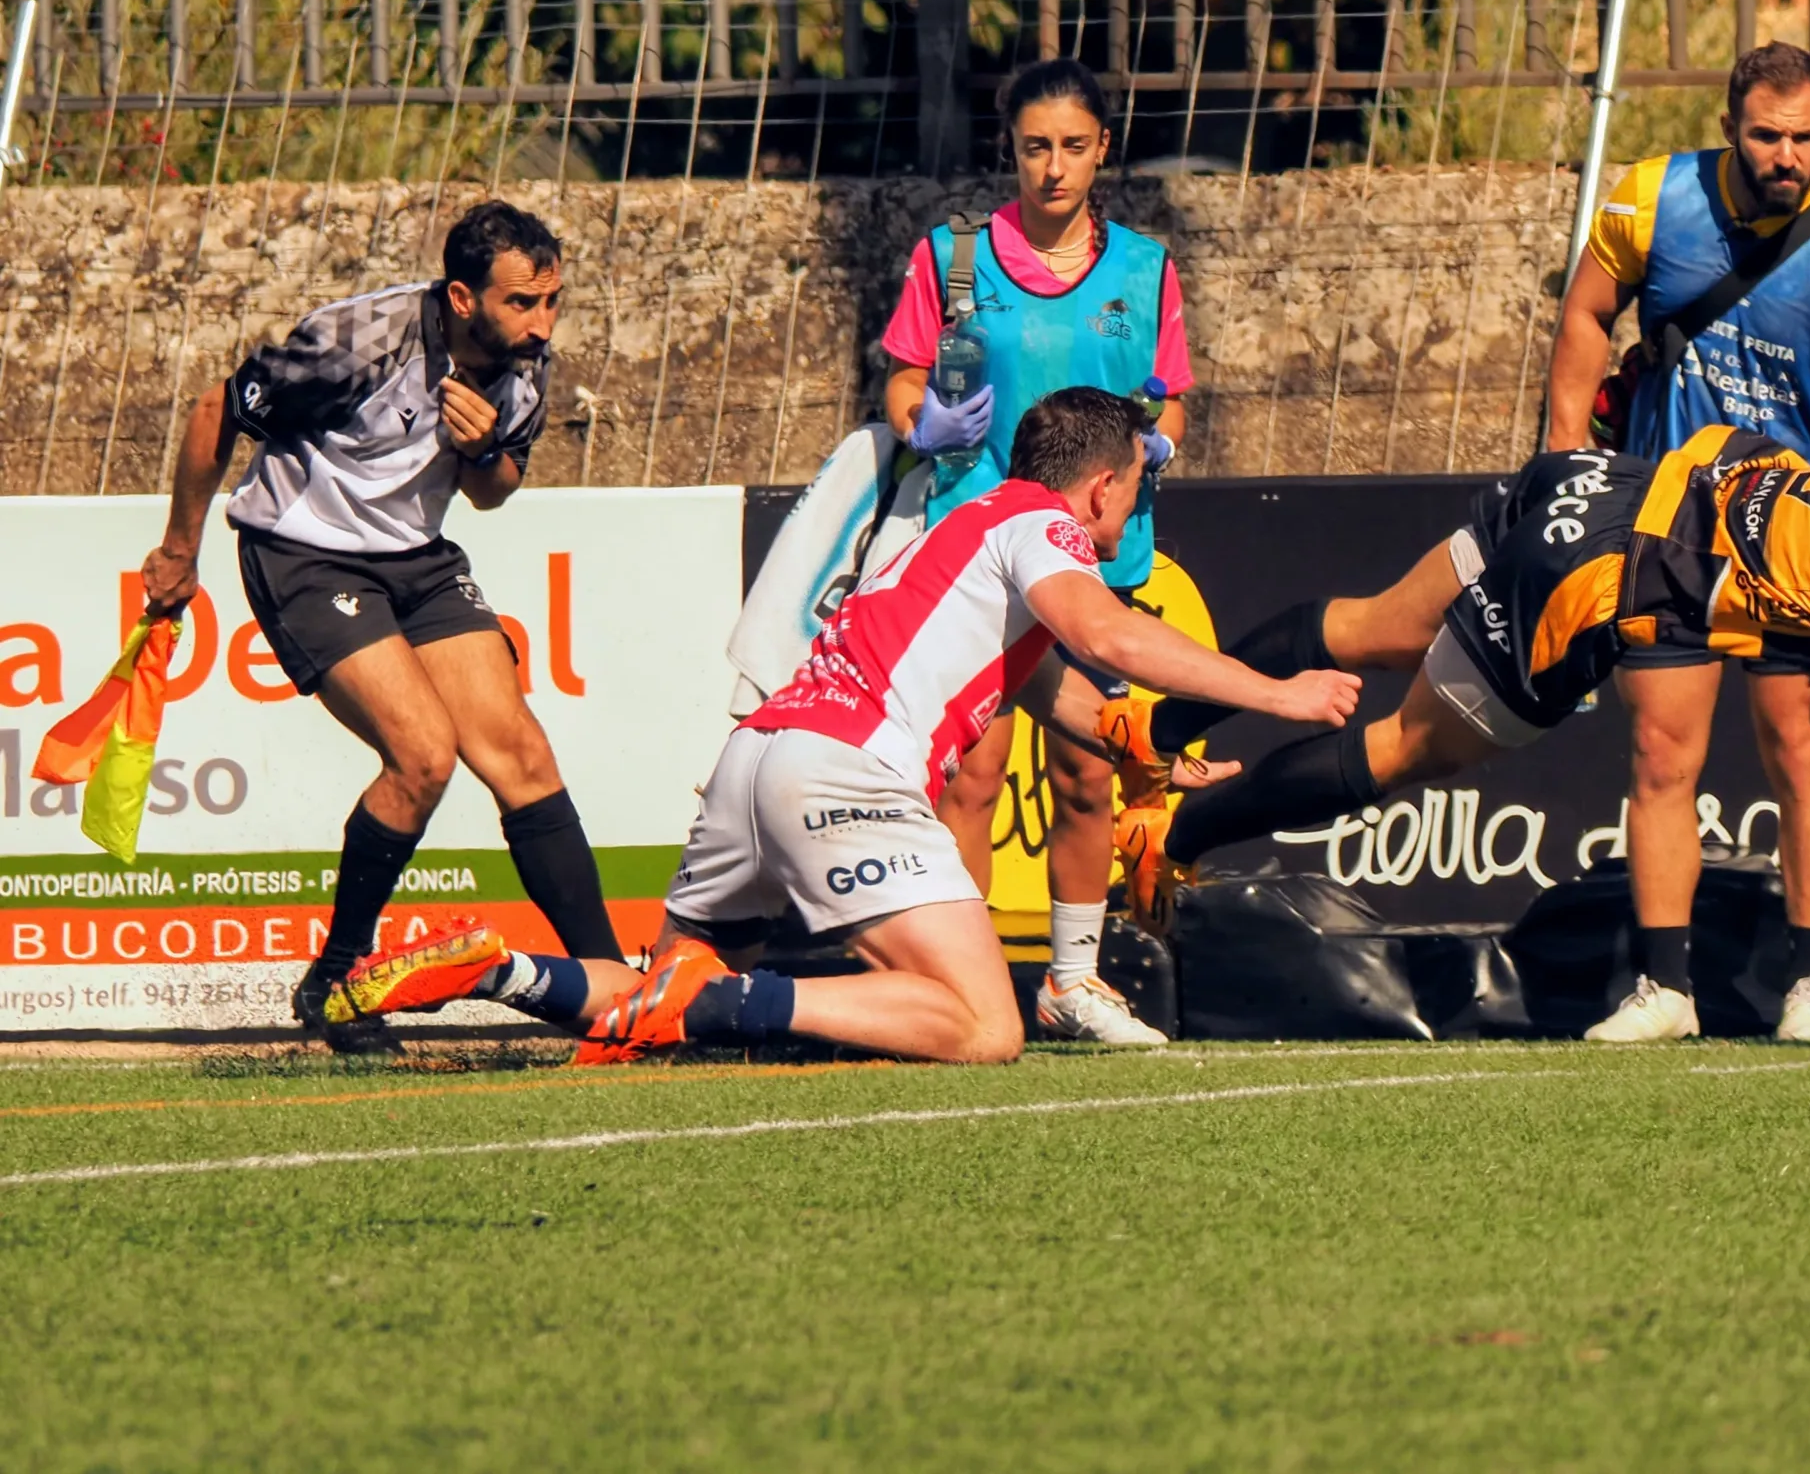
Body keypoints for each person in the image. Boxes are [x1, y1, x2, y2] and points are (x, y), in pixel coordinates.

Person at [330, 389, 1360, 1064]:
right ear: (1100, 484)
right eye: (1135, 483)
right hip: (845, 775)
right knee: (983, 1023)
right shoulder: (1045, 529)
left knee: (644, 1001)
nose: (1134, 502)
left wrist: (1146, 755)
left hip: (759, 759)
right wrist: (1280, 692)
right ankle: (712, 1002)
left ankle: (496, 966)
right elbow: (1111, 638)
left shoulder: (957, 524)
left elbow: (1061, 693)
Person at [1113, 431, 1810, 1006]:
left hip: (1592, 480)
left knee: (1365, 625)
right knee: (1414, 743)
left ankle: (1156, 734)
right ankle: (1174, 835)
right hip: (1606, 563)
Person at [137, 201, 622, 1050]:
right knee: (424, 753)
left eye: (553, 302)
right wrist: (180, 548)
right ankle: (336, 979)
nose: (543, 323)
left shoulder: (524, 359)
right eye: (524, 303)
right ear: (463, 298)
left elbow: (495, 489)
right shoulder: (361, 338)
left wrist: (478, 453)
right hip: (305, 554)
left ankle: (616, 994)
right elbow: (218, 412)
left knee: (523, 753)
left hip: (416, 555)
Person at [1544, 40, 1810, 1044]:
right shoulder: (1650, 199)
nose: (1786, 155)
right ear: (1730, 126)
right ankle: (1664, 988)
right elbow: (1586, 312)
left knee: (1801, 751)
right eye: (1767, 135)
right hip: (1666, 522)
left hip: (1797, 535)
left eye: (1805, 137)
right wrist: (1563, 460)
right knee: (1658, 751)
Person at [875, 57, 1196, 1047]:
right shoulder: (953, 259)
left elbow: (1167, 390)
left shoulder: (1144, 269)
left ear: (1103, 148)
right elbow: (902, 380)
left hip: (1092, 557)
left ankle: (1070, 980)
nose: (1051, 167)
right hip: (973, 555)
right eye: (1032, 146)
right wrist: (923, 420)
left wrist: (1161, 439)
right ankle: (967, 983)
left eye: (1071, 145)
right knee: (970, 773)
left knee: (1090, 767)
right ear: (1009, 148)